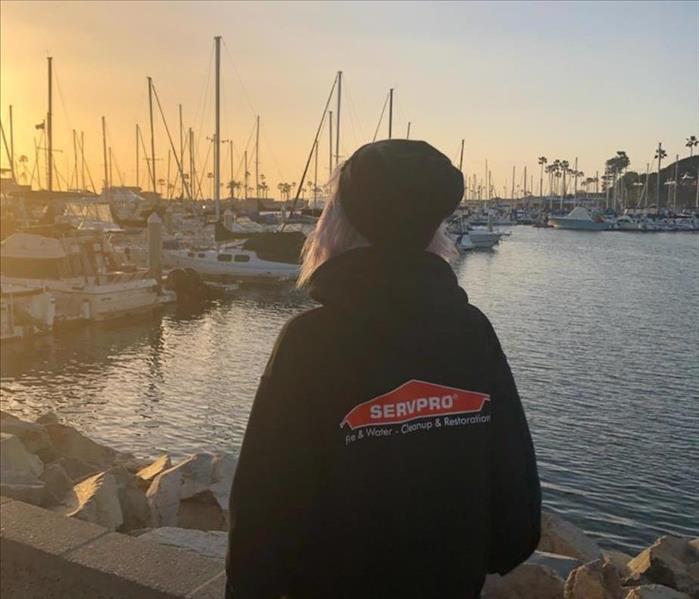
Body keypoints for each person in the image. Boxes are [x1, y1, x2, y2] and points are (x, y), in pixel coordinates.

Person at [226, 140, 541, 599]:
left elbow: (262, 515)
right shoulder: (473, 333)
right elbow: (516, 519)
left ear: (338, 223)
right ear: (434, 227)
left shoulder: (310, 343)